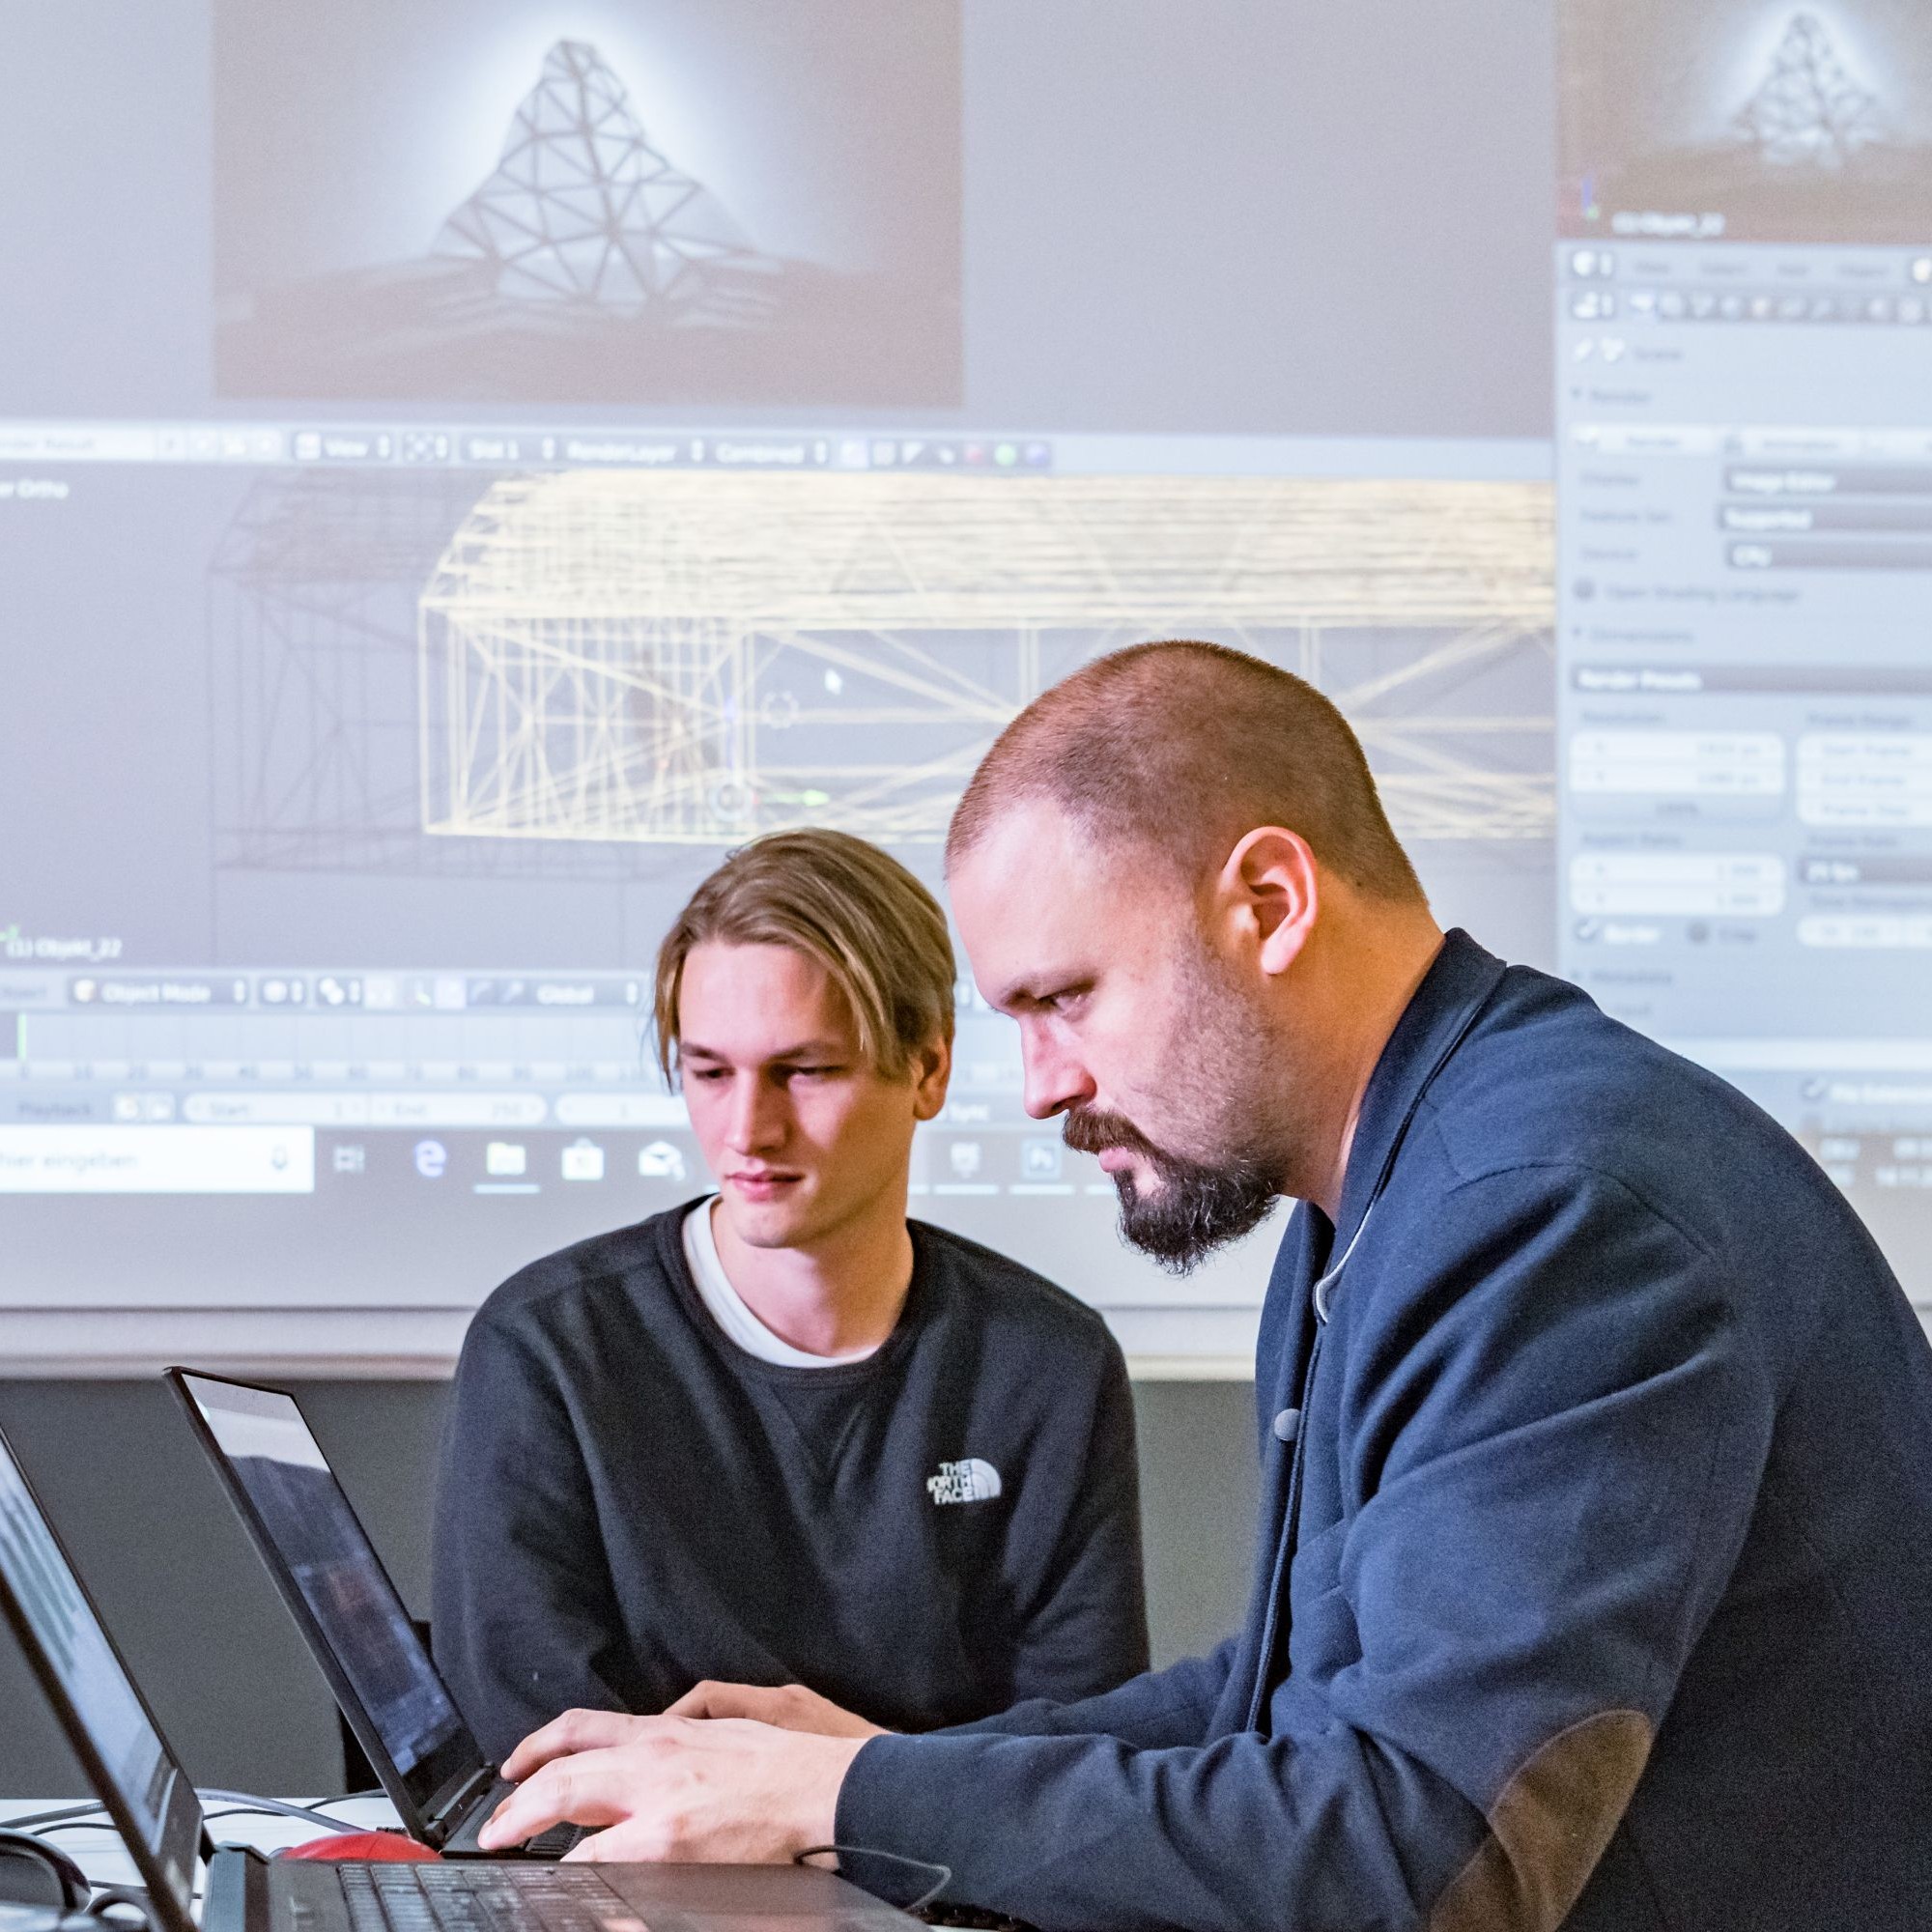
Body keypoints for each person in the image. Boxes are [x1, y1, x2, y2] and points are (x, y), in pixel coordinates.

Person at [475, 644, 1932, 1932]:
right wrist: (870, 1774)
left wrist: (845, 1798)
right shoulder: (1385, 1190)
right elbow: (1277, 1700)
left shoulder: (1545, 1213)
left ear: (1270, 902)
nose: (1041, 1088)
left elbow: (1414, 1862)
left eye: (1065, 999)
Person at [434, 828, 1149, 1761]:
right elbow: (540, 1762)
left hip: (944, 1905)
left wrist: (848, 1787)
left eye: (803, 1071)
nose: (747, 1129)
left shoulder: (1047, 1364)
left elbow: (1084, 1763)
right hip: (639, 1898)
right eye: (708, 1072)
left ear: (928, 1068)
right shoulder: (549, 1350)